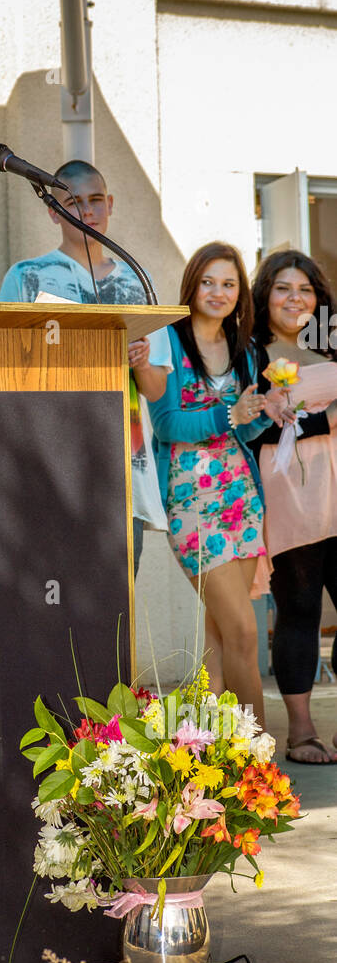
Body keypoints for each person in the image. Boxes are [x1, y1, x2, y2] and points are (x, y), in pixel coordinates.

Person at [0, 160, 171, 575]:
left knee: (115, 612)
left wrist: (143, 362)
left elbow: (157, 389)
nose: (88, 211)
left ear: (109, 204)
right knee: (55, 608)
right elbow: (0, 369)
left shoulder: (137, 282)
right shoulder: (27, 277)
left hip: (122, 469)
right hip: (51, 468)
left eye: (96, 200)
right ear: (53, 211)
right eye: (73, 202)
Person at [149, 242, 283, 720]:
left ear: (239, 294)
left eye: (229, 284)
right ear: (192, 285)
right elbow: (167, 425)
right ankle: (258, 756)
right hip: (189, 501)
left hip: (241, 498)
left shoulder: (245, 348)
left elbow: (242, 430)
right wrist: (230, 414)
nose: (218, 292)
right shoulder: (166, 339)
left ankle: (213, 751)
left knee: (223, 633)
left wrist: (263, 412)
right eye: (208, 281)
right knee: (246, 633)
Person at [251, 250, 337, 763]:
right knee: (300, 608)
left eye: (304, 289)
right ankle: (301, 731)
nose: (295, 299)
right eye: (283, 288)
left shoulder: (330, 341)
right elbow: (249, 423)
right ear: (265, 295)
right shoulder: (250, 349)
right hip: (287, 492)